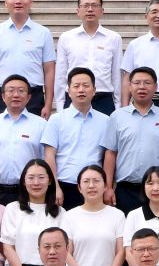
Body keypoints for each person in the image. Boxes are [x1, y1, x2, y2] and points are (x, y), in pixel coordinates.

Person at [107, 68, 159, 211]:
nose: (142, 87)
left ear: (156, 87)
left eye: (147, 83)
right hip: (126, 189)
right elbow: (111, 153)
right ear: (130, 87)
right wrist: (108, 187)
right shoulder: (117, 117)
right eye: (137, 83)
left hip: (157, 189)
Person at [0, 0, 56, 115]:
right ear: (6, 3)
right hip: (3, 96)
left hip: (34, 96)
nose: (18, 1)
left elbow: (49, 70)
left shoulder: (43, 33)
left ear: (31, 2)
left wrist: (48, 104)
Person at [44, 68, 114, 208]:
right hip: (64, 187)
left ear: (94, 90)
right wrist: (55, 187)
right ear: (69, 91)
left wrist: (107, 187)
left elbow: (108, 156)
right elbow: (49, 155)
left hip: (94, 188)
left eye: (86, 86)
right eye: (76, 86)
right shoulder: (56, 119)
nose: (81, 90)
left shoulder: (105, 121)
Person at [0, 74, 44, 204]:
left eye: (21, 91)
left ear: (29, 97)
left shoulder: (41, 125)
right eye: (11, 91)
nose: (16, 95)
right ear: (3, 96)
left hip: (28, 192)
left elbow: (46, 160)